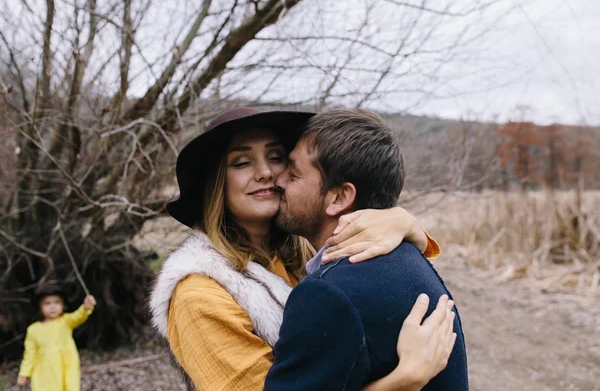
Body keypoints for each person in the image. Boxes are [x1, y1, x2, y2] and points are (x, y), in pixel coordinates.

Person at [149, 107, 453, 391]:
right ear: (215, 184)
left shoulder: (307, 252)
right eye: (242, 162)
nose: (267, 172)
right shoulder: (200, 293)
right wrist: (402, 382)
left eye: (276, 157)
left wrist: (404, 222)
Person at [263, 108, 469, 390]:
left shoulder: (328, 294)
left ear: (339, 197)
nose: (278, 180)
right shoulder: (410, 258)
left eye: (294, 174)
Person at [17, 285, 96, 391]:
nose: (52, 307)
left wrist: (86, 306)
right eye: (47, 303)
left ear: (63, 305)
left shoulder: (66, 321)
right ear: (40, 307)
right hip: (43, 370)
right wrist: (24, 373)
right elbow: (30, 354)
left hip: (65, 365)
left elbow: (79, 316)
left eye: (57, 302)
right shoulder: (33, 329)